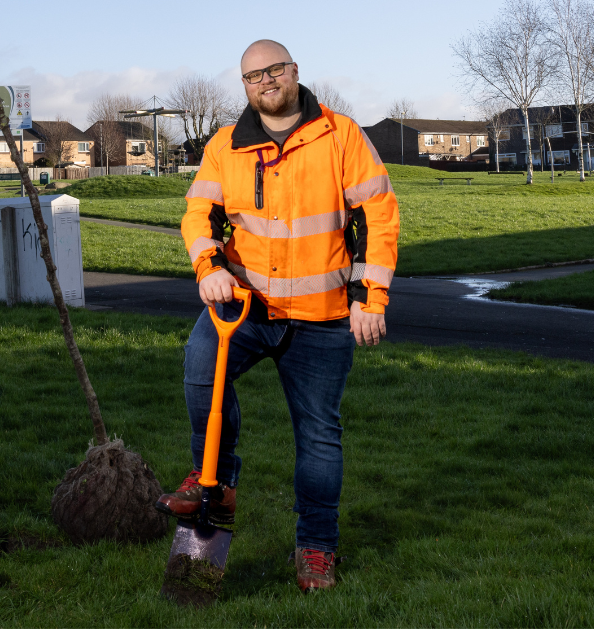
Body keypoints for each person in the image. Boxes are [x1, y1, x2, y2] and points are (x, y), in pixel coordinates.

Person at [155, 39, 399, 592]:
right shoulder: (226, 146)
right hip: (245, 306)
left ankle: (316, 548)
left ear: (294, 71)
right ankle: (215, 479)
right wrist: (209, 266)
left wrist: (371, 297)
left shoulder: (341, 135)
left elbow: (378, 218)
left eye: (273, 70)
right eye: (251, 76)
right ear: (244, 87)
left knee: (318, 436)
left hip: (323, 316)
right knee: (199, 365)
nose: (264, 81)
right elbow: (198, 215)